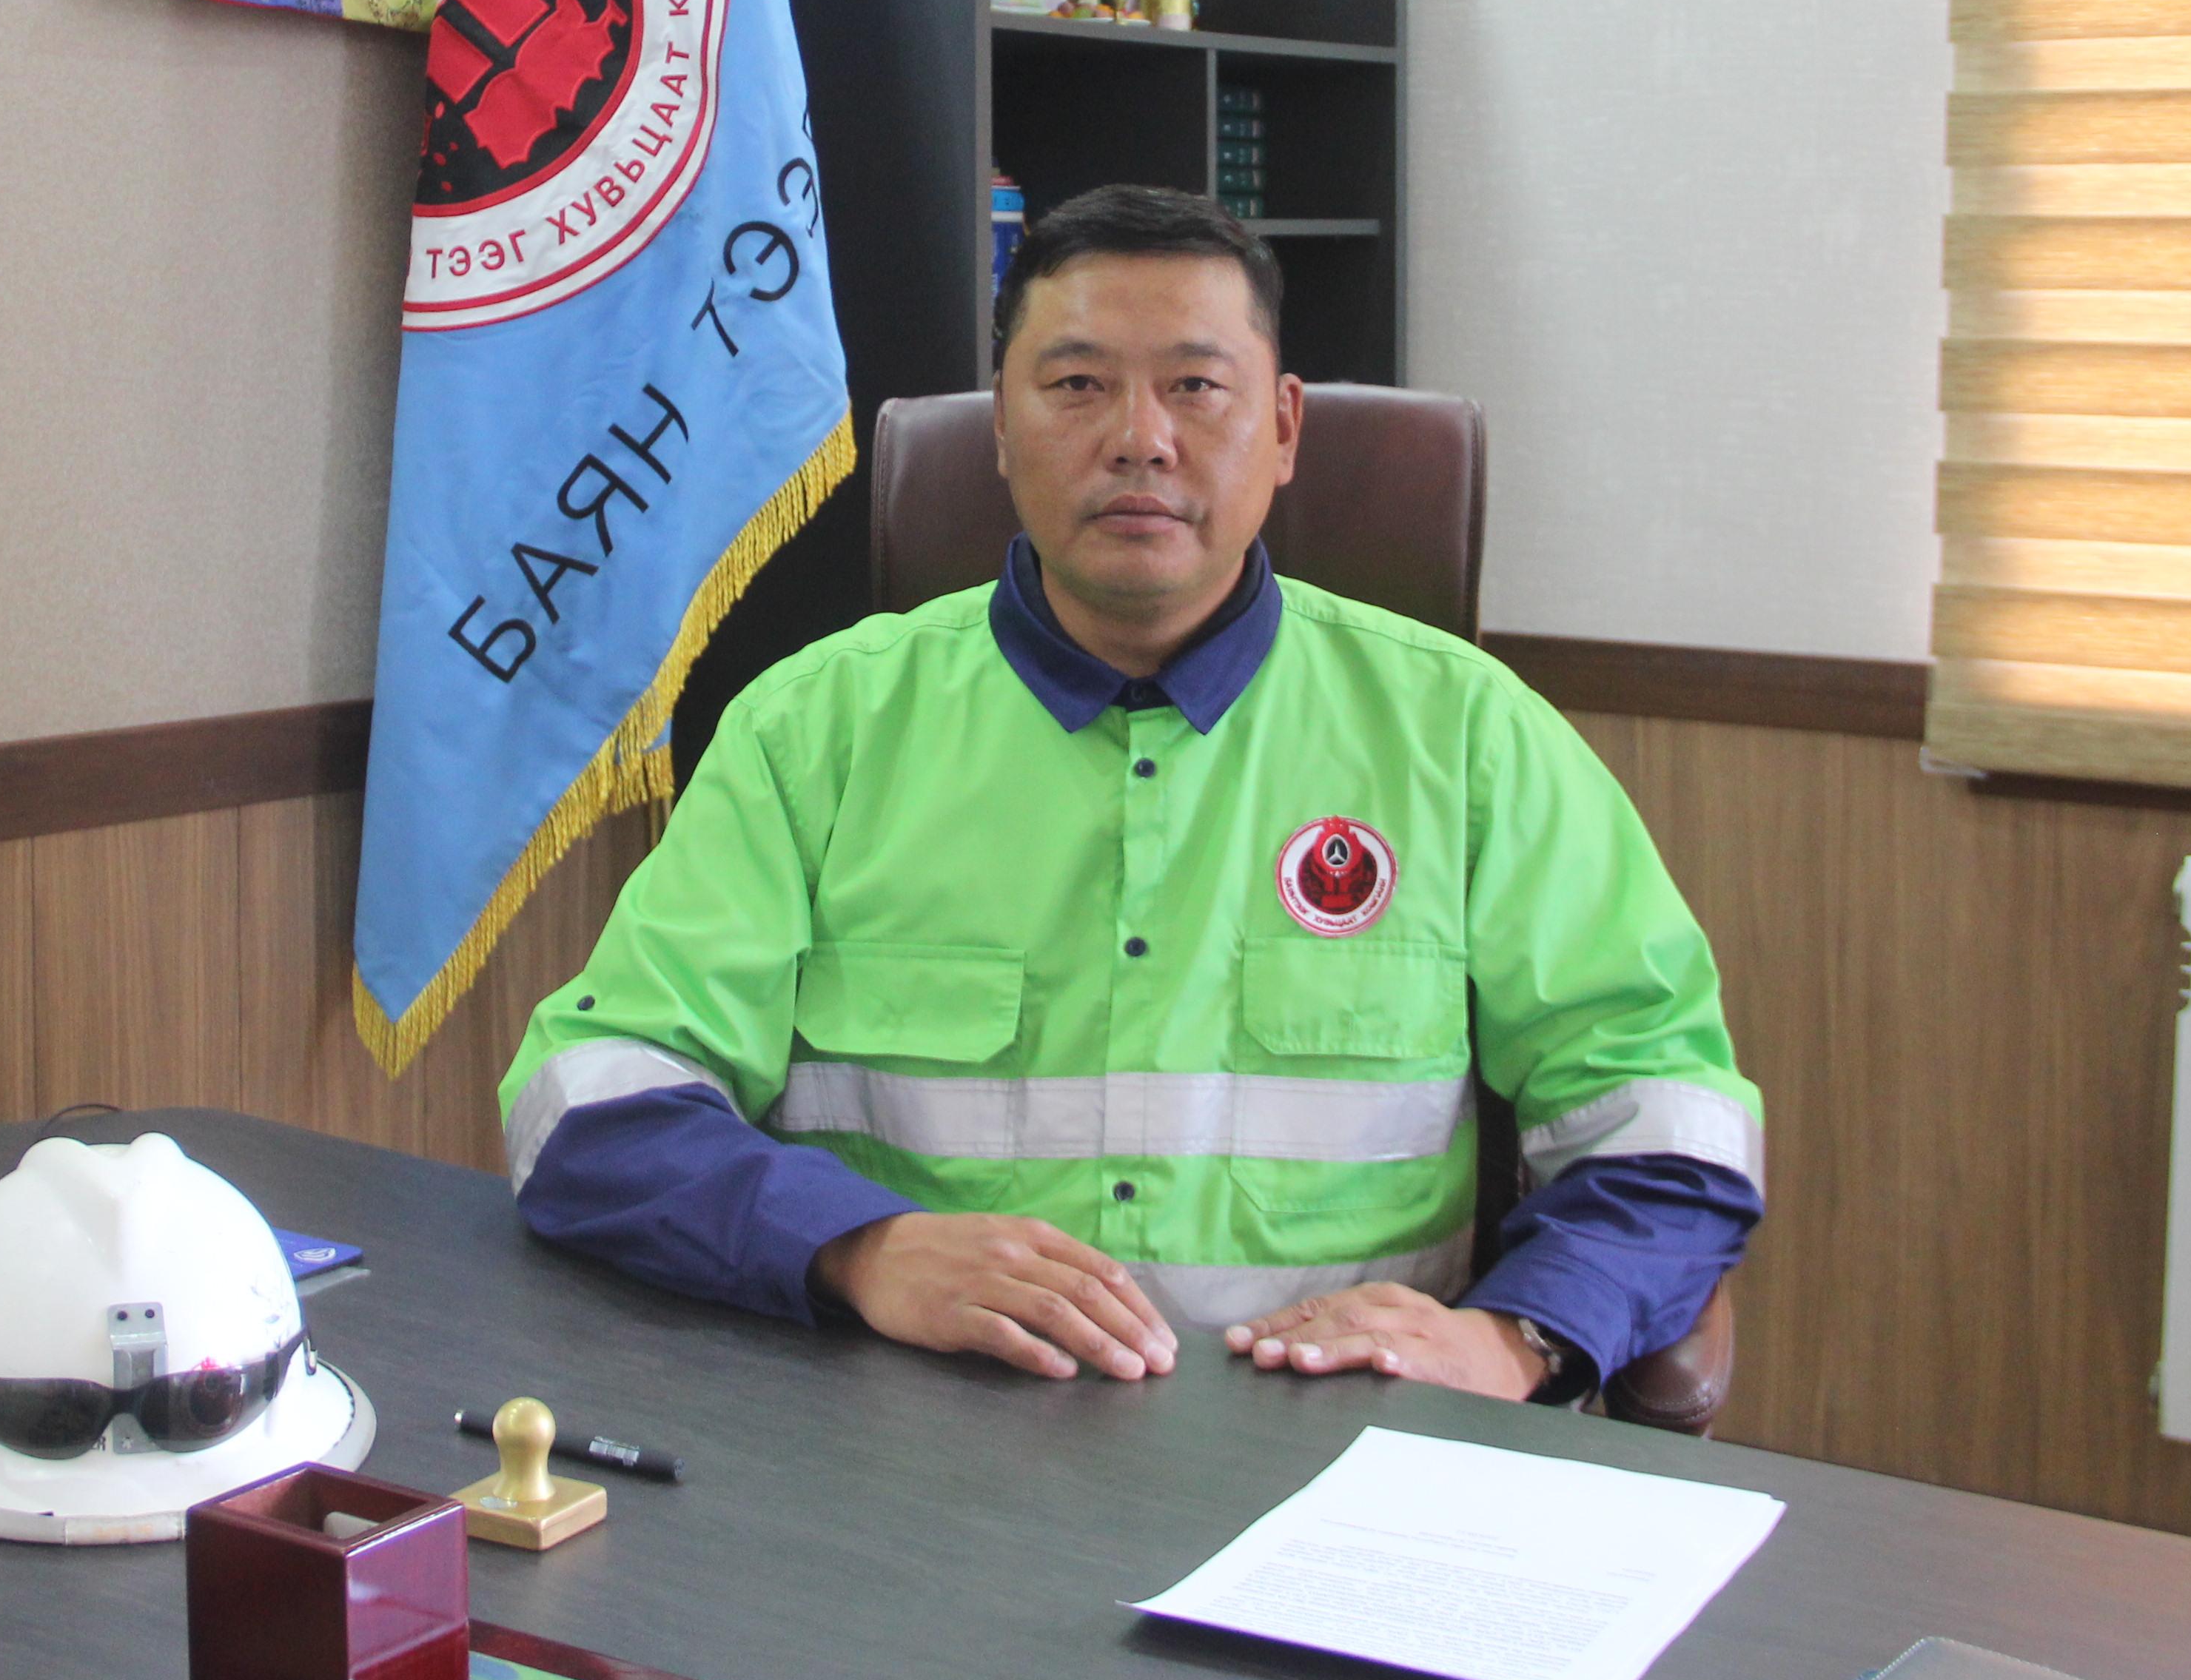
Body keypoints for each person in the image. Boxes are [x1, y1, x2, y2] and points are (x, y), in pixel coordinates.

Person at [498, 186, 1762, 1405]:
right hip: (911, 1427)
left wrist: (1513, 1338)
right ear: (1001, 426)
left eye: (1196, 388)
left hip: (1332, 1435)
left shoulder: (1469, 738)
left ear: (1283, 427)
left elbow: (1665, 1115)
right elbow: (590, 1094)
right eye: (1076, 385)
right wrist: (859, 1247)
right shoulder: (812, 732)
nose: (1139, 439)